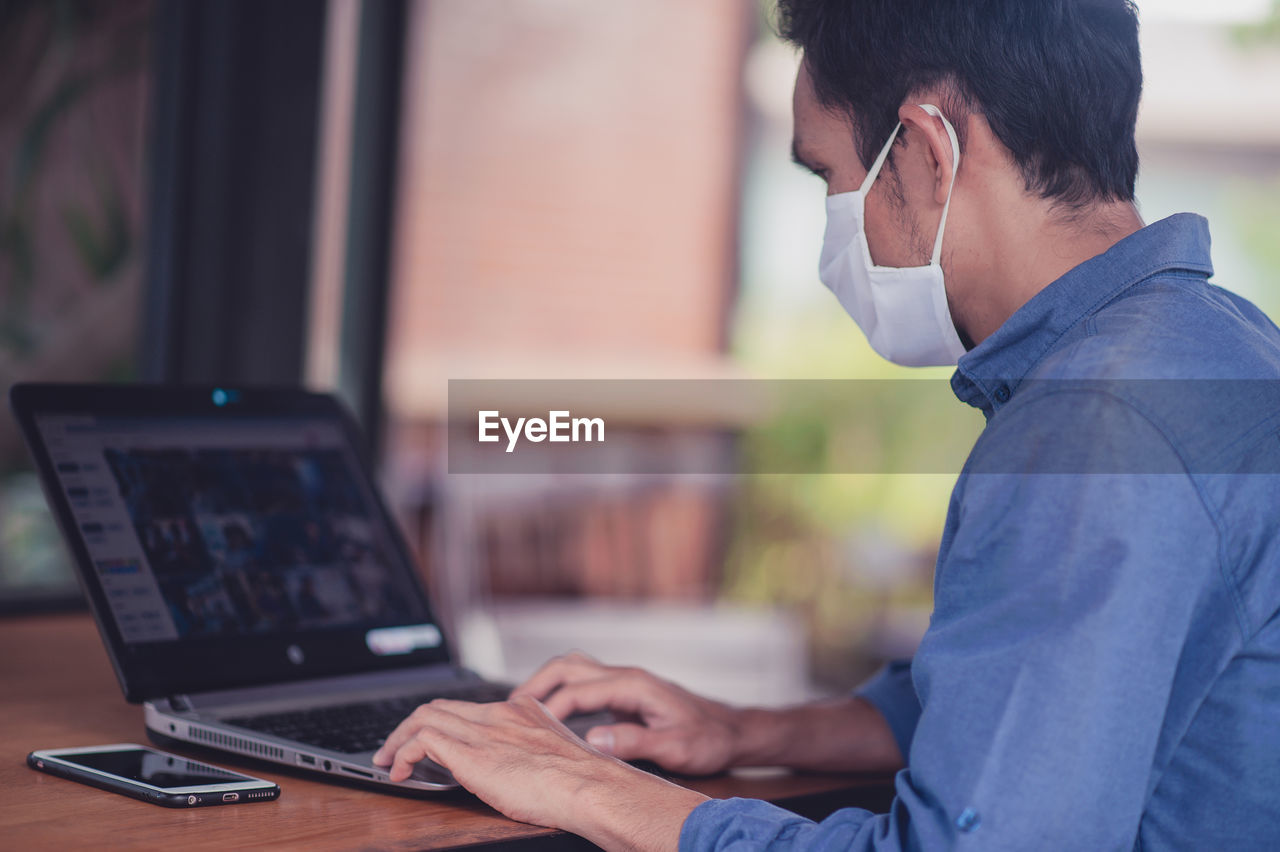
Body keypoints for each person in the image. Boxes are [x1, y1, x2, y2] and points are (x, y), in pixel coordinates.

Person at [372, 1, 1280, 848]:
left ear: (928, 151)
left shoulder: (1094, 427)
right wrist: (749, 729)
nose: (831, 232)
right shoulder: (1220, 348)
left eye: (830, 177)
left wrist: (589, 787)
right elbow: (1068, 697)